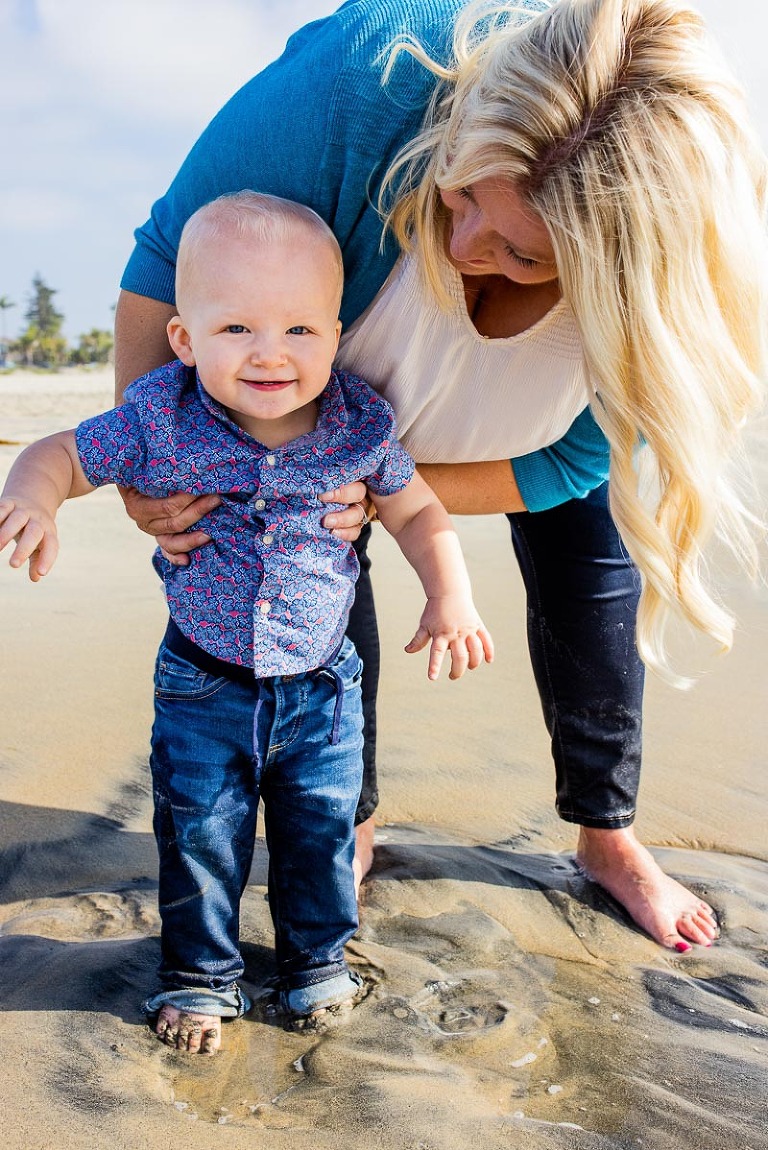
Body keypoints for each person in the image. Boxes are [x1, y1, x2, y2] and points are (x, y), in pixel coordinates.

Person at [114, 0, 768, 956]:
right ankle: (353, 817)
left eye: (522, 252)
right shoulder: (360, 83)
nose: (467, 250)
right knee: (322, 552)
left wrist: (396, 488)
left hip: (513, 435)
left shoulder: (671, 279)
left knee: (592, 561)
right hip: (355, 389)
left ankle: (608, 833)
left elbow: (575, 459)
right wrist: (154, 462)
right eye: (462, 197)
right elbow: (168, 258)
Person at [0, 191, 493, 1055]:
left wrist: (449, 594)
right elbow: (64, 453)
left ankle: (315, 960)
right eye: (237, 330)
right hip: (202, 684)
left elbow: (418, 512)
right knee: (199, 839)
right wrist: (32, 499)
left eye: (300, 330)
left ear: (335, 337)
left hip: (323, 691)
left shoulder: (359, 424)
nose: (271, 354)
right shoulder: (162, 417)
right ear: (186, 340)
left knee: (320, 836)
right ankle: (199, 976)